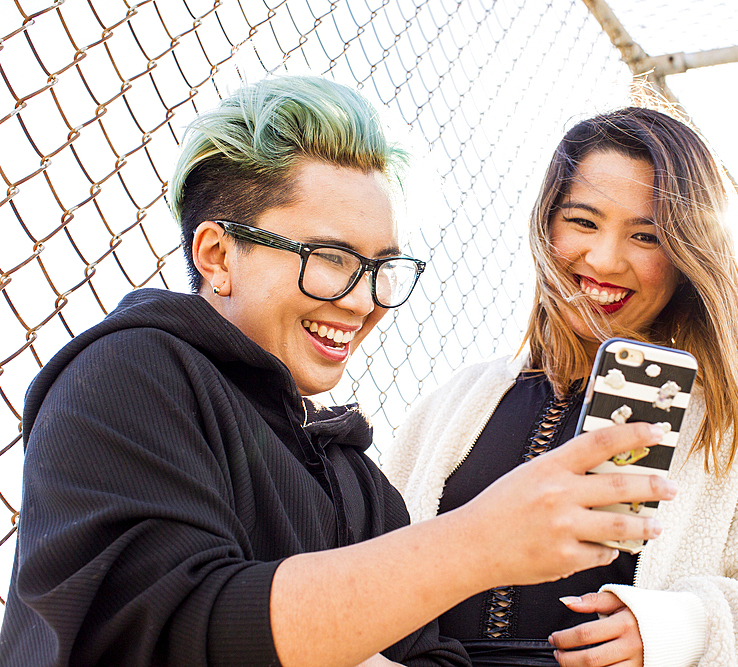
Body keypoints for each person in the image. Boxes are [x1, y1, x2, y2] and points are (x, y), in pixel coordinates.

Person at [0, 76, 680, 667]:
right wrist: (479, 541)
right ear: (217, 253)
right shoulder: (129, 373)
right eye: (330, 257)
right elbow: (153, 637)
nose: (362, 299)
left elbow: (436, 654)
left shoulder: (355, 475)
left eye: (383, 267)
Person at [384, 106, 738, 667]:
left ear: (688, 255)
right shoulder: (454, 405)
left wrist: (681, 632)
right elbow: (371, 571)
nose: (606, 260)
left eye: (646, 235)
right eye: (583, 223)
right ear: (546, 225)